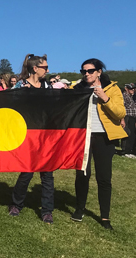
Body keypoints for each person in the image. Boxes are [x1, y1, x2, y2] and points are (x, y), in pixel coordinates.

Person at [71, 58, 126, 230]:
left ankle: (104, 217)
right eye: (83, 71)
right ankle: (80, 209)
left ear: (99, 72)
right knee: (82, 175)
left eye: (90, 71)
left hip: (104, 138)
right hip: (83, 137)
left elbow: (120, 113)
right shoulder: (77, 90)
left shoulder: (113, 88)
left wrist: (105, 98)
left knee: (104, 178)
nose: (86, 74)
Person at [7, 54, 55, 224]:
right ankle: (16, 204)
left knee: (47, 173)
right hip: (27, 135)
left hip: (45, 135)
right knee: (27, 171)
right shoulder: (21, 85)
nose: (48, 70)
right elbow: (9, 104)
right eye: (45, 67)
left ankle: (47, 210)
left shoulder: (47, 85)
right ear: (35, 68)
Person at [120, 84, 136, 158]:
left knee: (132, 133)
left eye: (133, 89)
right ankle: (125, 151)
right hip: (127, 116)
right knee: (127, 133)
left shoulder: (131, 96)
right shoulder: (124, 96)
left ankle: (129, 150)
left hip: (132, 117)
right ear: (126, 88)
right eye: (131, 89)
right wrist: (122, 119)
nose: (132, 90)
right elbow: (122, 106)